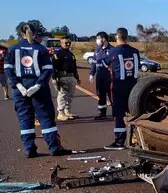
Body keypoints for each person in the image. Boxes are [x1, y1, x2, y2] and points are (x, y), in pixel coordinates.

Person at [3, 23, 73, 157]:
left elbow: (8, 69)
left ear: (20, 33)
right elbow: (47, 69)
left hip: (20, 89)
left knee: (25, 119)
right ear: (34, 33)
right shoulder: (40, 49)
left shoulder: (13, 49)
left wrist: (18, 85)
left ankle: (29, 149)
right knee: (46, 118)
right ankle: (54, 148)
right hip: (38, 88)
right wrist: (38, 85)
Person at [102, 27, 140, 150]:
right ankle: (136, 138)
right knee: (134, 112)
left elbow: (104, 64)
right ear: (127, 37)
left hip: (118, 87)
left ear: (116, 37)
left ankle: (119, 141)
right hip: (134, 87)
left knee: (118, 114)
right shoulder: (135, 52)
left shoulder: (113, 52)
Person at [51, 37, 80, 120]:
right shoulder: (57, 54)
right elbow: (53, 67)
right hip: (62, 77)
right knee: (62, 95)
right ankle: (60, 113)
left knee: (70, 95)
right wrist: (54, 78)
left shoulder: (71, 54)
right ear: (61, 43)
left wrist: (77, 78)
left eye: (69, 43)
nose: (68, 44)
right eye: (66, 43)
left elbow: (74, 67)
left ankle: (67, 111)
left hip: (71, 77)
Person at [89, 31, 113, 120]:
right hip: (100, 76)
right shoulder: (97, 50)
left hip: (109, 77)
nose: (97, 40)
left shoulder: (112, 50)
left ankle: (116, 113)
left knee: (112, 95)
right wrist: (92, 73)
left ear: (104, 39)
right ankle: (102, 113)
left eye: (98, 38)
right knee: (101, 95)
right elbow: (93, 63)